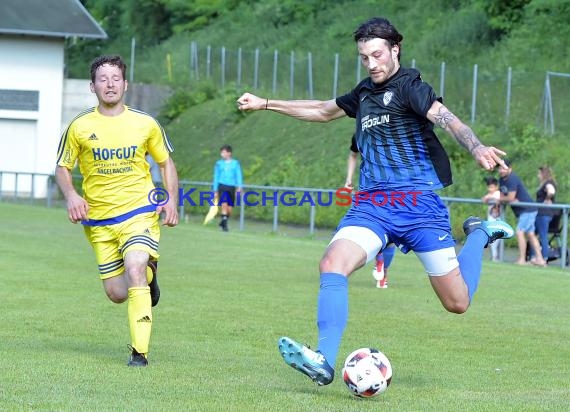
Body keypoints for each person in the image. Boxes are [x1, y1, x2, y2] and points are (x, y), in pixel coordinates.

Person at [237, 17, 514, 386]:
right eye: (364, 57)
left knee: (457, 303)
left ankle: (479, 233)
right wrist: (265, 103)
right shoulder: (364, 93)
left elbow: (446, 119)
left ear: (395, 49)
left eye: (378, 55)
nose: (372, 64)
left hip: (419, 207)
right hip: (373, 205)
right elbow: (321, 111)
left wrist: (476, 146)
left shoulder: (411, 88)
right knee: (332, 263)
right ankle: (323, 359)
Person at [55, 55, 179, 367]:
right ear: (92, 86)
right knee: (116, 293)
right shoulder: (80, 127)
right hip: (99, 220)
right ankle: (149, 276)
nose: (110, 84)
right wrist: (71, 195)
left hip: (139, 211)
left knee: (134, 265)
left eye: (115, 78)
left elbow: (165, 163)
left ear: (125, 84)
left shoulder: (145, 123)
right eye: (103, 79)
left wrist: (172, 200)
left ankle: (140, 353)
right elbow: (62, 168)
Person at [345, 134, 396, 288]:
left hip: (393, 190)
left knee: (389, 234)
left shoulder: (394, 134)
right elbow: (353, 155)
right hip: (370, 191)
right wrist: (348, 180)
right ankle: (382, 266)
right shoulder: (360, 135)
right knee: (377, 229)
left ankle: (381, 264)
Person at [497, 159, 546, 266]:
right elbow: (503, 196)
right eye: (499, 168)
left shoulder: (512, 178)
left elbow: (510, 197)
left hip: (527, 210)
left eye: (503, 168)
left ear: (510, 168)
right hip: (523, 211)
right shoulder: (501, 180)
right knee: (531, 234)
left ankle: (522, 259)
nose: (501, 170)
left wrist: (500, 198)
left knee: (520, 232)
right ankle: (540, 260)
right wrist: (502, 198)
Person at [213, 144, 243, 232]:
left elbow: (238, 175)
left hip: (231, 187)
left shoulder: (235, 163)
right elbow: (216, 177)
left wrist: (239, 186)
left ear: (229, 153)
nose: (222, 154)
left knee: (229, 208)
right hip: (222, 186)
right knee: (224, 204)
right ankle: (225, 226)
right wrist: (215, 190)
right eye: (221, 152)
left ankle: (223, 220)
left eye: (223, 152)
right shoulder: (219, 164)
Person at [534, 165, 557, 262]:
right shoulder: (545, 183)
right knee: (533, 234)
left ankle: (544, 257)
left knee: (543, 235)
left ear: (543, 174)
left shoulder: (548, 183)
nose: (538, 175)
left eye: (539, 173)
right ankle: (534, 256)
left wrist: (547, 199)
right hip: (540, 213)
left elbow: (551, 191)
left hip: (543, 213)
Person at [481, 176, 503, 262]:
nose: (490, 189)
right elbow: (483, 199)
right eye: (489, 187)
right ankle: (494, 257)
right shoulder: (491, 194)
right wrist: (488, 197)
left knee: (495, 239)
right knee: (492, 239)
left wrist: (489, 197)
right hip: (491, 220)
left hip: (496, 220)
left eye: (492, 187)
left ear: (496, 187)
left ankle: (495, 257)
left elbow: (496, 198)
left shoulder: (497, 193)